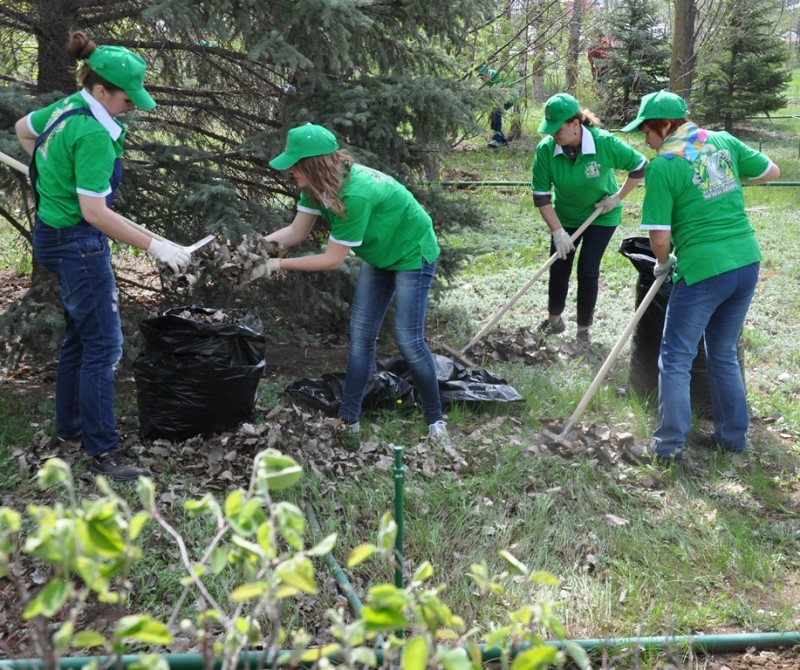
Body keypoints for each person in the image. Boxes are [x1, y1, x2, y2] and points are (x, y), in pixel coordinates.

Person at [15, 31, 191, 480]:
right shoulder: (92, 132)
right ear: (99, 90)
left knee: (80, 337)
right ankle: (103, 452)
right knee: (104, 348)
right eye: (126, 98)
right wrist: (157, 247)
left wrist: (53, 173)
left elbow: (23, 130)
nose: (132, 105)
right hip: (77, 244)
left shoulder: (64, 107)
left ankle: (70, 432)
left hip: (52, 236)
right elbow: (95, 213)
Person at [621, 90, 780, 462]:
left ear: (664, 125)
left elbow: (659, 237)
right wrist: (721, 183)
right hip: (746, 262)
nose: (645, 139)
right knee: (722, 353)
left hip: (704, 270)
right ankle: (733, 439)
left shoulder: (664, 165)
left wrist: (663, 262)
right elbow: (770, 171)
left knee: (675, 357)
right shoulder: (722, 143)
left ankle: (668, 447)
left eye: (646, 130)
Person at [262, 123, 448, 441]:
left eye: (294, 164)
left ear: (313, 165)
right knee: (361, 337)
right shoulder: (315, 186)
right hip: (380, 255)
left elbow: (333, 259)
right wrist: (253, 248)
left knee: (408, 340)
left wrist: (276, 264)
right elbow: (296, 232)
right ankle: (349, 420)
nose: (290, 170)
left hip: (412, 252)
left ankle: (435, 421)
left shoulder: (356, 193)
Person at [531, 93, 647, 344]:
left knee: (587, 270)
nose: (553, 135)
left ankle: (583, 331)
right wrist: (558, 232)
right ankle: (554, 321)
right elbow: (541, 197)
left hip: (601, 215)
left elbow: (640, 165)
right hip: (565, 216)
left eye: (557, 128)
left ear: (575, 124)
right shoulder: (546, 150)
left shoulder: (604, 143)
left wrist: (617, 197)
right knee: (559, 266)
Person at [476, 65, 512, 148]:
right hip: (498, 99)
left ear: (488, 73)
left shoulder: (497, 76)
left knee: (497, 113)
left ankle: (496, 139)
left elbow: (500, 93)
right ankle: (504, 142)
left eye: (483, 78)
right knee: (492, 119)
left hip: (509, 98)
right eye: (481, 78)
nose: (483, 80)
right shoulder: (487, 81)